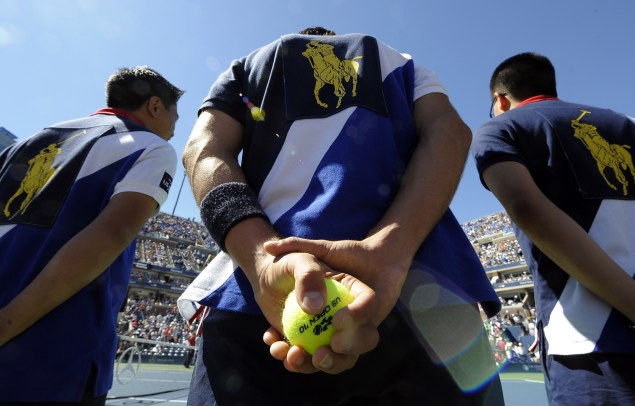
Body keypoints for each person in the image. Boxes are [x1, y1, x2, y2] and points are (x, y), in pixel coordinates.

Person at [178, 27, 504, 405]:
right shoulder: (405, 65)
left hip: (260, 300)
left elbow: (203, 150)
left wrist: (259, 258)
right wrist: (390, 250)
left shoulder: (246, 66)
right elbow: (449, 133)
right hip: (426, 294)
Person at [0, 66, 183, 404]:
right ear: (155, 107)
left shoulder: (25, 143)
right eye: (175, 115)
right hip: (56, 354)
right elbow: (109, 238)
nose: (174, 129)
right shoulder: (151, 147)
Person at [472, 52, 635, 405]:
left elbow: (525, 206)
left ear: (500, 99)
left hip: (589, 340)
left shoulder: (503, 127)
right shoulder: (627, 122)